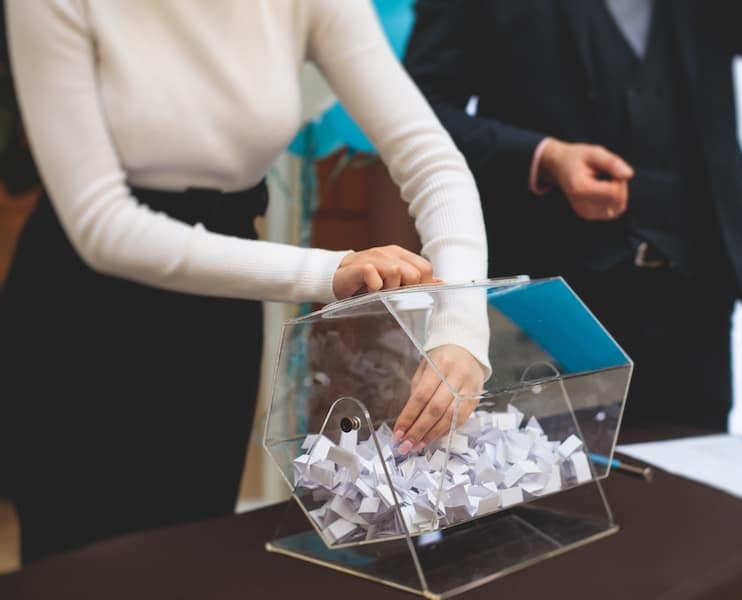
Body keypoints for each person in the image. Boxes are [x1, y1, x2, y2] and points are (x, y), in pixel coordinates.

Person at [2, 0, 486, 562]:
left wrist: (461, 328)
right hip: (81, 321)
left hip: (215, 321)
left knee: (190, 556)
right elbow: (100, 225)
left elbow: (432, 163)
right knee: (83, 567)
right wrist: (324, 271)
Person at [405, 0, 742, 431]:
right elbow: (416, 112)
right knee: (548, 481)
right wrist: (542, 157)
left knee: (694, 482)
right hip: (549, 300)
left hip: (694, 294)